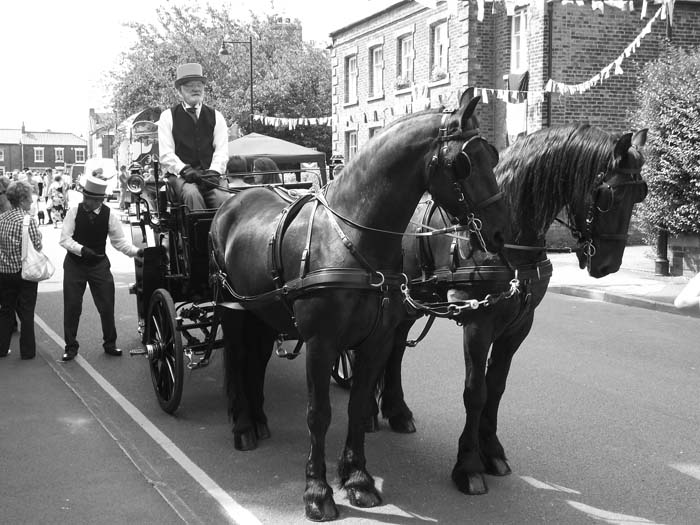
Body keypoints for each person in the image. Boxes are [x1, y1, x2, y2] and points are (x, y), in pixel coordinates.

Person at [58, 175, 144, 361]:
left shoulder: (109, 215)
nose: (85, 201)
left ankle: (110, 343)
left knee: (106, 306)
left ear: (99, 200)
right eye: (85, 197)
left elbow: (119, 242)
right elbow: (65, 239)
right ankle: (70, 346)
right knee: (72, 307)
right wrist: (81, 250)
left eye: (89, 199)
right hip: (75, 265)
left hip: (98, 264)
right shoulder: (74, 211)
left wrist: (138, 252)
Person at [158, 62, 230, 210]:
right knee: (192, 195)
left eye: (199, 84)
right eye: (190, 85)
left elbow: (221, 151)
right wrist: (184, 169)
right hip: (182, 177)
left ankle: (219, 233)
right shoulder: (167, 117)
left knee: (222, 198)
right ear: (179, 90)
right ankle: (197, 233)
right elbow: (166, 154)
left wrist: (214, 172)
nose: (196, 89)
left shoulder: (216, 116)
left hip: (210, 176)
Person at [0, 180, 43, 360]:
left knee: (6, 311)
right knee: (26, 313)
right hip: (24, 272)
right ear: (23, 200)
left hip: (3, 272)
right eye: (30, 199)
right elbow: (38, 245)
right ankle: (27, 352)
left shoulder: (1, 219)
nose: (32, 202)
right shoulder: (28, 220)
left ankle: (2, 349)